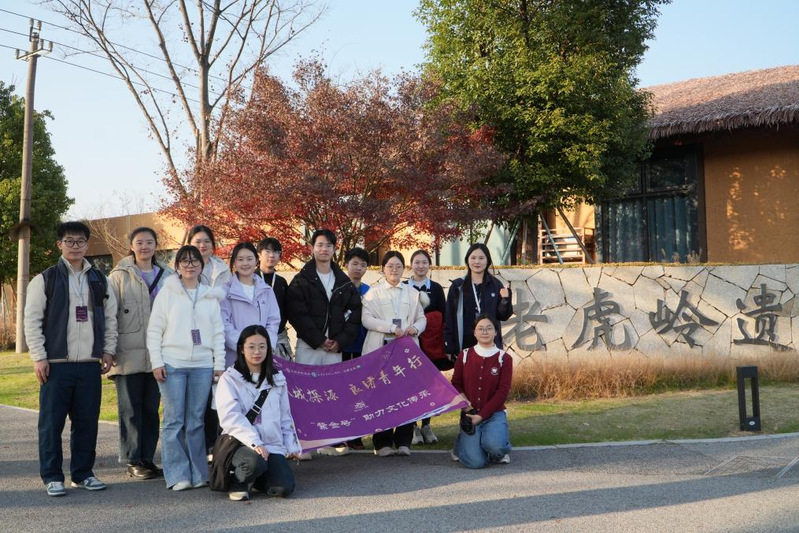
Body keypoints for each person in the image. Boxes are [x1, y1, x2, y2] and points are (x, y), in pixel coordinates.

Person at [24, 221, 118, 497]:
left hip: (89, 364)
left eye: (80, 241)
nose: (75, 246)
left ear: (87, 245)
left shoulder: (100, 280)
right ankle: (52, 476)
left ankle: (83, 473)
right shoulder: (45, 279)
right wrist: (39, 357)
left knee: (87, 422)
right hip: (55, 365)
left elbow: (110, 318)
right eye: (69, 241)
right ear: (60, 245)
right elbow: (32, 321)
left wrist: (108, 349)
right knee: (51, 424)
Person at [146, 245, 225, 491]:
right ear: (177, 266)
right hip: (173, 364)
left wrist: (219, 365)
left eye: (194, 261)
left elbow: (218, 332)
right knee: (174, 420)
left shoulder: (210, 295)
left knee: (196, 421)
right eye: (185, 261)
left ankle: (199, 473)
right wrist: (157, 362)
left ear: (202, 266)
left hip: (203, 365)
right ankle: (178, 475)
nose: (190, 265)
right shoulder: (167, 292)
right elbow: (154, 330)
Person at [108, 227, 174, 480]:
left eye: (149, 242)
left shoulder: (168, 276)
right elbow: (109, 315)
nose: (144, 246)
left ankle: (147, 457)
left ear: (156, 245)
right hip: (128, 353)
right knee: (130, 410)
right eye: (139, 242)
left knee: (151, 409)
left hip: (159, 354)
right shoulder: (118, 276)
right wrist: (109, 349)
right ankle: (132, 458)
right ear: (131, 246)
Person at [216, 325, 302, 501]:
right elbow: (231, 418)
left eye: (262, 346)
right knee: (254, 461)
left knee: (284, 488)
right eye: (251, 346)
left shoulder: (278, 378)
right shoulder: (230, 379)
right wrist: (255, 442)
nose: (257, 351)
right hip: (241, 443)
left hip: (272, 445)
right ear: (241, 349)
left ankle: (256, 478)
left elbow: (285, 418)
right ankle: (238, 483)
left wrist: (291, 445)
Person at [361, 251, 426, 457]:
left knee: (406, 395)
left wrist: (416, 328)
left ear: (404, 268)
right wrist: (390, 327)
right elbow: (366, 319)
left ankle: (404, 441)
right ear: (383, 269)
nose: (394, 270)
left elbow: (421, 318)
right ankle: (382, 443)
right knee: (381, 396)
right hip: (381, 349)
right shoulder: (373, 293)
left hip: (405, 350)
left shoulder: (412, 293)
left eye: (398, 266)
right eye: (390, 266)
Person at [286, 228, 362, 366]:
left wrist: (341, 341)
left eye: (328, 245)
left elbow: (355, 314)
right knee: (306, 380)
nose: (324, 249)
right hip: (308, 346)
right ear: (312, 248)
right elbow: (296, 314)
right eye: (320, 245)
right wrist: (319, 339)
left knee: (333, 380)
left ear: (334, 249)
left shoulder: (344, 282)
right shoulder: (301, 280)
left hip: (334, 348)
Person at [187, 224, 231, 456]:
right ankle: (199, 445)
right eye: (197, 241)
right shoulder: (181, 271)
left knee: (219, 391)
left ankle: (216, 444)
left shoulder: (223, 270)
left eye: (206, 241)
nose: (202, 245)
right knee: (198, 396)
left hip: (220, 337)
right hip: (193, 340)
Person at [451, 314, 513, 468]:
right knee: (476, 462)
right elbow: (456, 384)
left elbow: (502, 392)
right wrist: (464, 403)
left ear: (496, 332)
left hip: (494, 415)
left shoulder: (504, 358)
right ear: (474, 332)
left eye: (489, 328)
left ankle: (498, 446)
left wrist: (481, 416)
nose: (485, 332)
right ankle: (462, 445)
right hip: (470, 414)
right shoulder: (464, 355)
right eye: (480, 328)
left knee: (495, 448)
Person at [405, 249, 447, 446]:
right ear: (411, 265)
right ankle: (413, 426)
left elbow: (443, 316)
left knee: (429, 387)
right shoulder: (404, 287)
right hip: (410, 344)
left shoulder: (436, 288)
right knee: (411, 386)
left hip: (432, 346)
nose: (420, 266)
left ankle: (427, 425)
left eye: (424, 262)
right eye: (417, 262)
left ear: (429, 265)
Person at [444, 243, 513, 357]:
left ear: (487, 261)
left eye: (481, 258)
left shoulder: (496, 285)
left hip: (490, 343)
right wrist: (449, 346)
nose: (477, 262)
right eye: (473, 258)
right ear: (467, 260)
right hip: (465, 343)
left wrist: (505, 300)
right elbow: (449, 317)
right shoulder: (458, 286)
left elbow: (503, 316)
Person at [220, 242, 280, 368]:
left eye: (249, 259)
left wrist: (264, 345)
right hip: (235, 356)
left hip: (261, 356)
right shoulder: (225, 291)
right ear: (234, 262)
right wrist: (244, 346)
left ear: (256, 260)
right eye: (240, 259)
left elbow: (273, 321)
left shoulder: (266, 290)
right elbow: (223, 324)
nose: (245, 263)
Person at [255, 237, 292, 359]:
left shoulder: (281, 282)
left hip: (278, 336)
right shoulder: (250, 279)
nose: (272, 255)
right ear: (259, 255)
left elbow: (287, 310)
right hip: (254, 336)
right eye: (267, 251)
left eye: (276, 252)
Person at [341, 247, 371, 361]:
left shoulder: (369, 291)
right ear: (346, 265)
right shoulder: (337, 289)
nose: (359, 268)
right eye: (355, 263)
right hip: (340, 345)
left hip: (363, 344)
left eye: (363, 265)